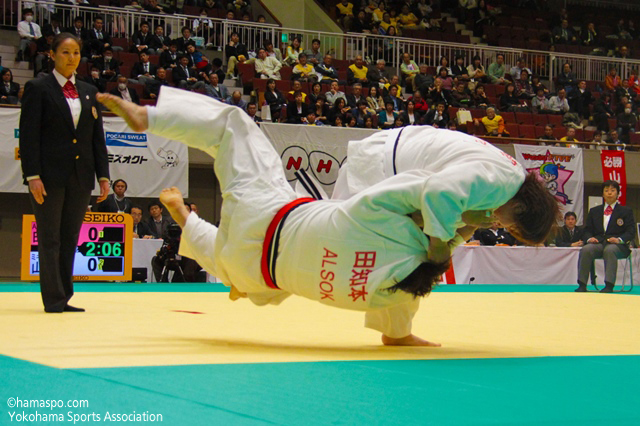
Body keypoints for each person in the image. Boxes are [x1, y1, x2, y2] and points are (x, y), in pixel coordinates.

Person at [99, 87, 472, 346]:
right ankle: (189, 223)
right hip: (257, 272)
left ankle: (150, 118)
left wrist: (468, 198)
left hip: (266, 213)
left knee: (235, 128)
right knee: (226, 260)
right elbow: (434, 258)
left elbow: (423, 188)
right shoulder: (399, 292)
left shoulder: (381, 219)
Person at [331, 120, 559, 251]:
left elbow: (430, 210)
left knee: (401, 256)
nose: (501, 226)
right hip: (379, 166)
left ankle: (396, 332)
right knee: (333, 242)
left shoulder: (510, 180)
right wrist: (438, 246)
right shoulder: (499, 185)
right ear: (519, 208)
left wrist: (466, 226)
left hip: (394, 157)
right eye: (512, 228)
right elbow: (436, 191)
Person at [20, 33, 110, 313]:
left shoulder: (88, 90)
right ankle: (54, 299)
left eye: (75, 53)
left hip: (80, 176)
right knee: (50, 238)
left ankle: (65, 295)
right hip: (48, 176)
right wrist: (32, 175)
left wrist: (103, 175)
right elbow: (28, 136)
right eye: (65, 52)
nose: (72, 58)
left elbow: (97, 138)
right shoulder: (38, 87)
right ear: (52, 55)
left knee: (70, 237)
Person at [576, 181, 636, 293]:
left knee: (610, 249)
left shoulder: (626, 211)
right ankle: (582, 284)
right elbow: (587, 230)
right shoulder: (594, 211)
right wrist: (589, 239)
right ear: (603, 194)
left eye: (612, 191)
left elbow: (630, 231)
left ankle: (609, 285)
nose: (609, 193)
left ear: (618, 194)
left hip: (618, 246)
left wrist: (619, 240)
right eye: (606, 190)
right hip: (599, 243)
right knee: (586, 249)